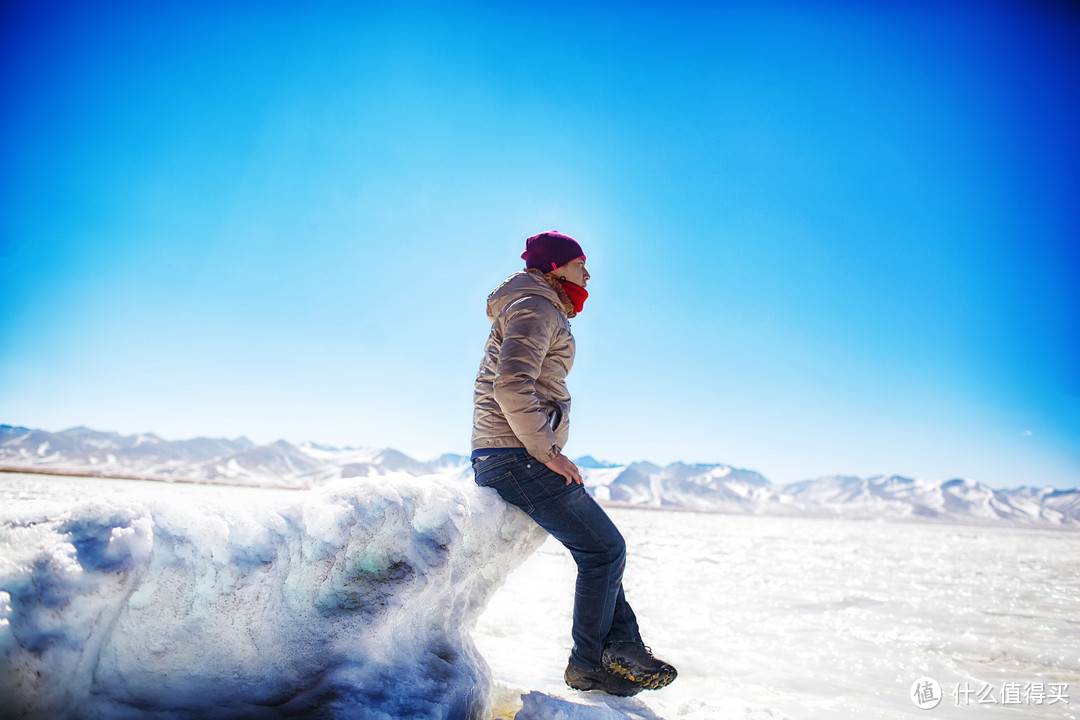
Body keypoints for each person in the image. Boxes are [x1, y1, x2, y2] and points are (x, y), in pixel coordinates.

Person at [470, 230, 677, 696]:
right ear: (553, 267)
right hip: (515, 456)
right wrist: (547, 451)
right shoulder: (535, 305)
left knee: (603, 549)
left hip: (510, 453)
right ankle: (590, 664)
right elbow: (510, 385)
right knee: (604, 551)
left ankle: (621, 648)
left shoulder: (536, 303)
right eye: (579, 262)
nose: (587, 271)